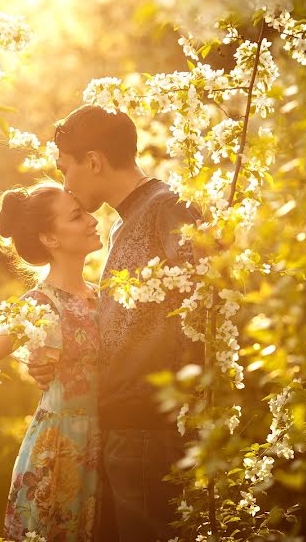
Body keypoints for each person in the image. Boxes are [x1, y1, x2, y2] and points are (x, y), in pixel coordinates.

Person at [29, 104, 203, 541]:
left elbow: (207, 306)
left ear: (93, 161)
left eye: (64, 168)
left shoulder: (167, 208)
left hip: (152, 429)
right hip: (125, 430)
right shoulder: (127, 225)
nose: (64, 182)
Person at [0, 181, 104, 541]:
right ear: (51, 239)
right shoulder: (39, 303)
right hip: (59, 451)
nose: (92, 220)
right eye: (78, 216)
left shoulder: (102, 295)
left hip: (102, 446)